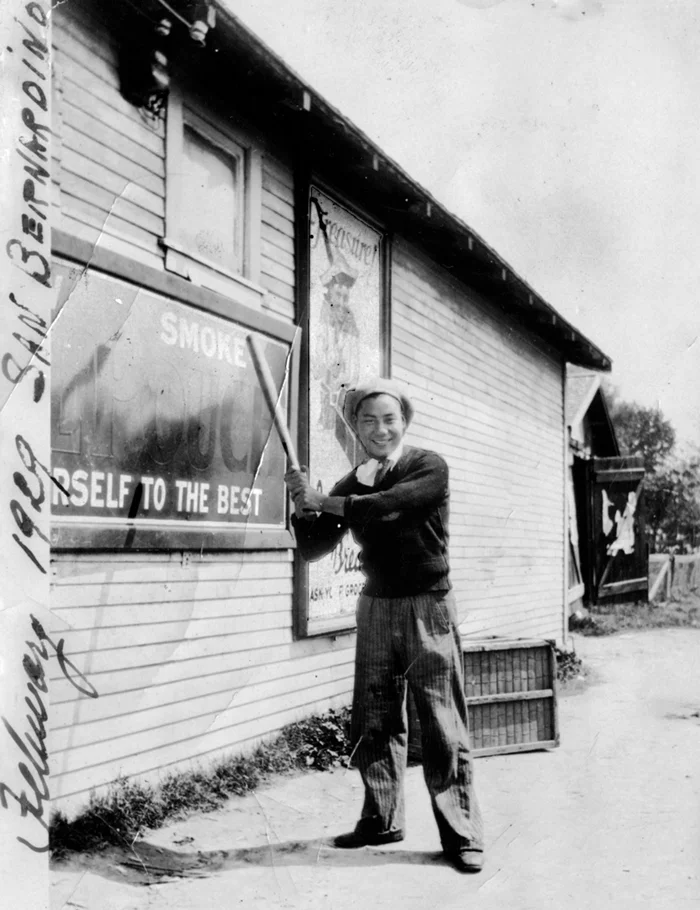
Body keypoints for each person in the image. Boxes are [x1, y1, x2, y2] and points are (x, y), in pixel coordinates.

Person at [285, 377, 484, 873]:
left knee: (441, 722)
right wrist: (301, 505)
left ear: (405, 422)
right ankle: (381, 819)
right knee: (374, 719)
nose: (380, 428)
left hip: (428, 606)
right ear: (355, 427)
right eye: (368, 420)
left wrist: (324, 500)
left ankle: (462, 834)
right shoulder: (352, 481)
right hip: (375, 607)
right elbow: (314, 546)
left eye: (389, 419)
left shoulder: (428, 467)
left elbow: (388, 504)